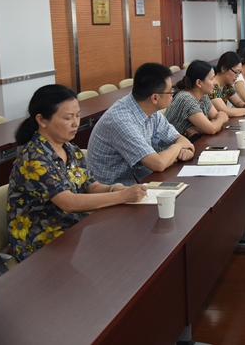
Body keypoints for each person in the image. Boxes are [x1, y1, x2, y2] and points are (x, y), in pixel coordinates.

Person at [8, 85, 147, 262]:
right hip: (43, 244)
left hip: (74, 230)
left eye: (78, 115)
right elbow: (69, 202)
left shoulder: (70, 149)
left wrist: (115, 189)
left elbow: (91, 186)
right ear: (42, 120)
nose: (76, 123)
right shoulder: (33, 157)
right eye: (68, 118)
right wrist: (122, 196)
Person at [88, 62, 195, 186]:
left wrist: (184, 148)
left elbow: (180, 139)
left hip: (141, 182)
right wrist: (179, 147)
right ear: (155, 98)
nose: (173, 93)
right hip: (115, 191)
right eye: (170, 91)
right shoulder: (121, 120)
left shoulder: (150, 110)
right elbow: (158, 164)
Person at [164, 60, 229, 137]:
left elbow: (215, 116)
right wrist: (220, 120)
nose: (215, 82)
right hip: (174, 144)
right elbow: (213, 128)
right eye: (211, 79)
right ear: (199, 83)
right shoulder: (186, 99)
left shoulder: (203, 95)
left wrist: (201, 129)